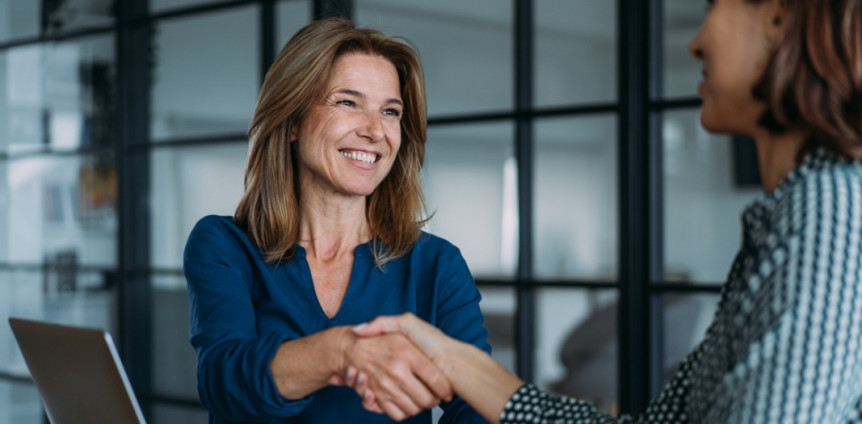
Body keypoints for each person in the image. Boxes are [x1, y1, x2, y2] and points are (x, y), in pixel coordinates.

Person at [344, 0, 862, 422]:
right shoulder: (787, 219)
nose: (696, 39)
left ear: (776, 19)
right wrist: (451, 357)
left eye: (712, 5)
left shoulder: (825, 214)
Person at [183, 17, 491, 423]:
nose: (375, 131)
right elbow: (224, 381)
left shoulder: (436, 265)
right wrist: (344, 351)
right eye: (347, 102)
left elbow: (477, 404)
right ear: (292, 121)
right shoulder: (224, 245)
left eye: (390, 111)